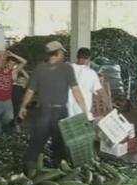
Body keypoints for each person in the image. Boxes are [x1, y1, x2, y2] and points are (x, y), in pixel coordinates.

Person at [18, 41, 89, 170]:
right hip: (60, 112)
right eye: (62, 52)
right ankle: (59, 170)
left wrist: (23, 107)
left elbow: (30, 91)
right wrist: (85, 110)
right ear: (57, 53)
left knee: (36, 142)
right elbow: (76, 90)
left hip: (43, 111)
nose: (63, 54)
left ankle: (29, 170)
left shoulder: (39, 68)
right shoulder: (67, 68)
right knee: (59, 145)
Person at [0, 50, 26, 135]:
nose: (11, 65)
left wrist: (13, 54)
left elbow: (24, 62)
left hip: (7, 100)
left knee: (9, 118)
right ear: (6, 63)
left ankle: (2, 127)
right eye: (10, 63)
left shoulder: (13, 73)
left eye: (13, 64)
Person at [67, 48, 104, 118]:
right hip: (83, 110)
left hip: (67, 109)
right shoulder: (91, 73)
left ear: (77, 56)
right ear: (89, 59)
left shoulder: (67, 69)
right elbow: (100, 92)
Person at [12, 68, 30, 133]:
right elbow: (13, 75)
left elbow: (28, 77)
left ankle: (17, 129)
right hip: (10, 102)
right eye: (20, 78)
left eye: (23, 79)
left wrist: (22, 69)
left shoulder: (23, 86)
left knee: (19, 117)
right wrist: (18, 69)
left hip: (19, 103)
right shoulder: (13, 83)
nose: (21, 80)